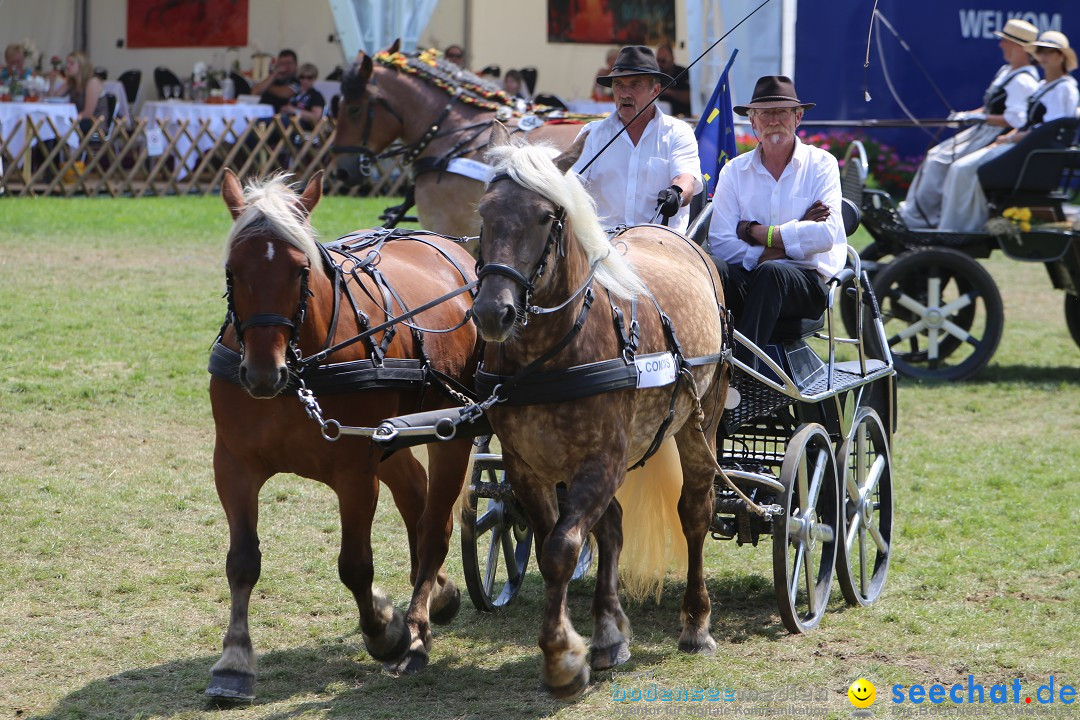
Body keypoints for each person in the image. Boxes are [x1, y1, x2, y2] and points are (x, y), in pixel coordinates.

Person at [706, 75, 846, 361]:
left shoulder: (821, 165)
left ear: (798, 118)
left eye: (781, 112)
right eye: (765, 114)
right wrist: (784, 242)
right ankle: (698, 360)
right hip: (751, 277)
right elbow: (720, 243)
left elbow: (825, 236)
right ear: (753, 122)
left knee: (772, 274)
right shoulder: (734, 171)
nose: (773, 121)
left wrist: (758, 232)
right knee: (711, 269)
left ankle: (740, 372)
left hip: (806, 283)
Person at [899, 18, 1041, 229]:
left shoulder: (1023, 81)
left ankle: (926, 219)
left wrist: (979, 118)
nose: (1001, 44)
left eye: (1006, 41)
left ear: (1019, 48)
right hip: (982, 129)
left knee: (941, 162)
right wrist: (965, 115)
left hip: (995, 135)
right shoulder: (1006, 71)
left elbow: (1016, 119)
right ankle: (917, 213)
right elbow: (991, 107)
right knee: (935, 156)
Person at [937, 30, 1079, 232]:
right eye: (1040, 51)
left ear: (1062, 57)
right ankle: (952, 225)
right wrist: (1008, 138)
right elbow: (1030, 123)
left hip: (1032, 155)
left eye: (1050, 52)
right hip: (1023, 148)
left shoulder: (1064, 89)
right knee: (959, 167)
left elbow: (1048, 131)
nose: (1044, 56)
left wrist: (1011, 139)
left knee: (963, 169)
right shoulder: (1043, 85)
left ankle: (959, 229)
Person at [571, 45, 701, 232]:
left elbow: (686, 180)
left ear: (655, 91)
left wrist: (676, 194)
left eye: (635, 85)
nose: (625, 94)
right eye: (619, 85)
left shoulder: (677, 132)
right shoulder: (592, 134)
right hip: (603, 245)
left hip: (659, 245)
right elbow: (571, 181)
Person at [48, 51, 108, 133]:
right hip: (79, 121)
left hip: (95, 128)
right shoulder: (71, 82)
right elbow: (52, 100)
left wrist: (68, 118)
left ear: (81, 66)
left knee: (59, 127)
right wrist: (52, 84)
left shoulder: (92, 83)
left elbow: (88, 113)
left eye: (71, 63)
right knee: (52, 125)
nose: (67, 66)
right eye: (67, 63)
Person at [655, 43, 691, 116]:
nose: (660, 64)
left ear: (672, 59)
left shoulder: (683, 73)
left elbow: (690, 97)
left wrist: (667, 91)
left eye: (663, 61)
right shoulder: (657, 74)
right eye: (658, 60)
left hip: (683, 115)